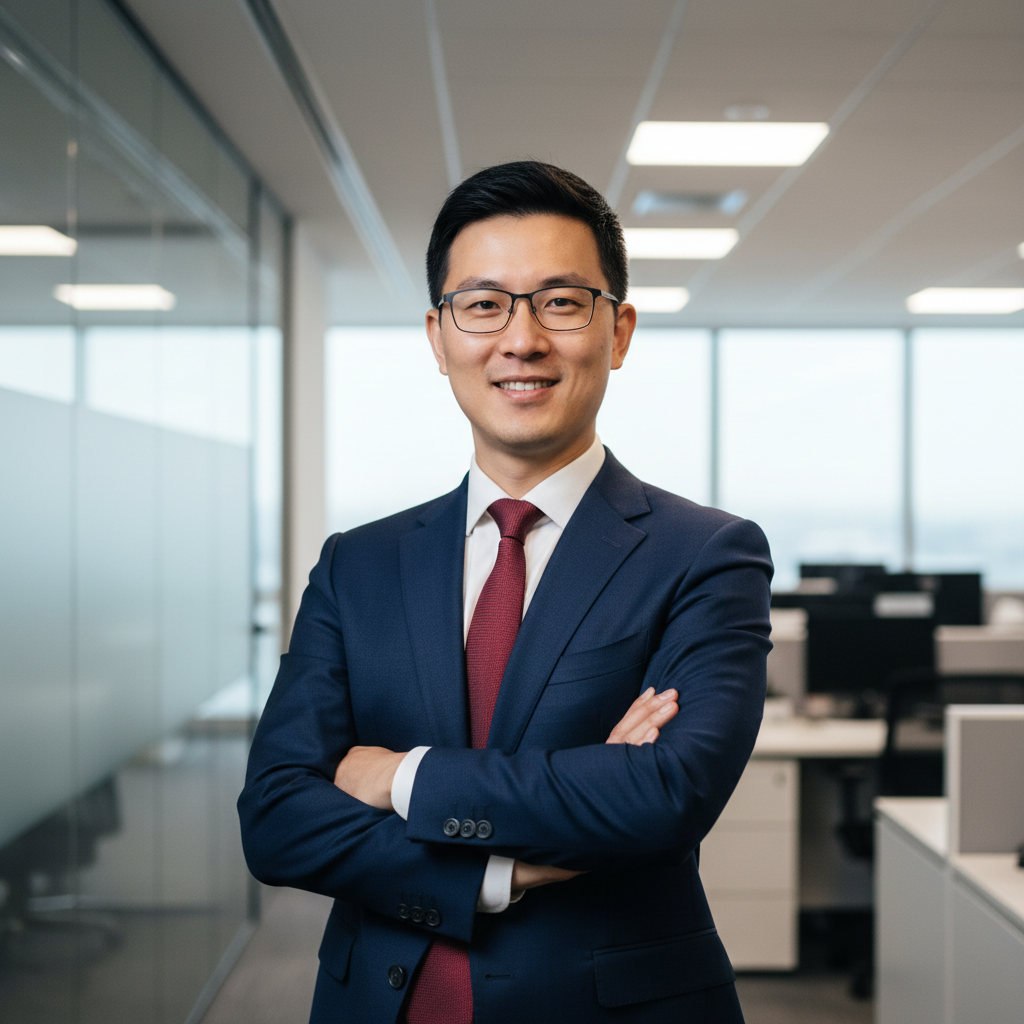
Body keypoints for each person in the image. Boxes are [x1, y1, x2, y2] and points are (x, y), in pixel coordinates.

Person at [238, 160, 773, 1024]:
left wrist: (401, 776)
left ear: (620, 330)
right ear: (438, 335)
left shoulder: (705, 554)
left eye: (561, 303)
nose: (520, 341)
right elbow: (275, 818)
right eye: (483, 305)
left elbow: (665, 796)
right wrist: (503, 868)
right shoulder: (357, 564)